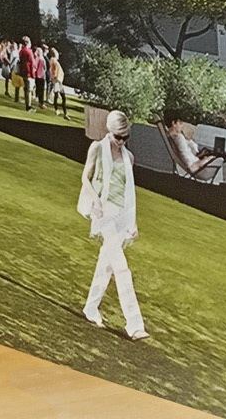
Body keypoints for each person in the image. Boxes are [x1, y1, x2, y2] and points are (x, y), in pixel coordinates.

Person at [78, 110, 148, 339]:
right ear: (110, 131)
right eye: (118, 136)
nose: (121, 141)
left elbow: (129, 193)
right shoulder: (97, 148)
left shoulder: (129, 157)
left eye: (125, 137)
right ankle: (134, 324)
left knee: (106, 265)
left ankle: (90, 307)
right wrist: (96, 202)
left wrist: (132, 222)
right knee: (121, 267)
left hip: (121, 215)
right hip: (103, 211)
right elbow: (85, 177)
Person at [48, 47, 69, 116]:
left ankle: (58, 110)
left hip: (57, 81)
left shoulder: (53, 61)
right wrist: (56, 78)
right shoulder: (54, 61)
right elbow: (55, 71)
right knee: (61, 96)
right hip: (57, 81)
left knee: (58, 95)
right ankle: (61, 111)